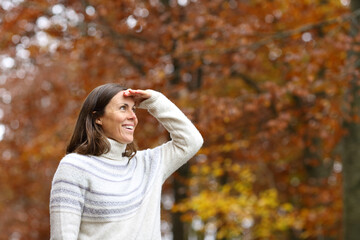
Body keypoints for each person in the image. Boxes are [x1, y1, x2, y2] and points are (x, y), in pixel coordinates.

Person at [49, 83, 203, 239]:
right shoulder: (75, 167)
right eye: (123, 108)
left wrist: (155, 101)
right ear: (98, 118)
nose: (133, 117)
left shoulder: (149, 164)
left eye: (133, 109)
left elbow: (191, 141)